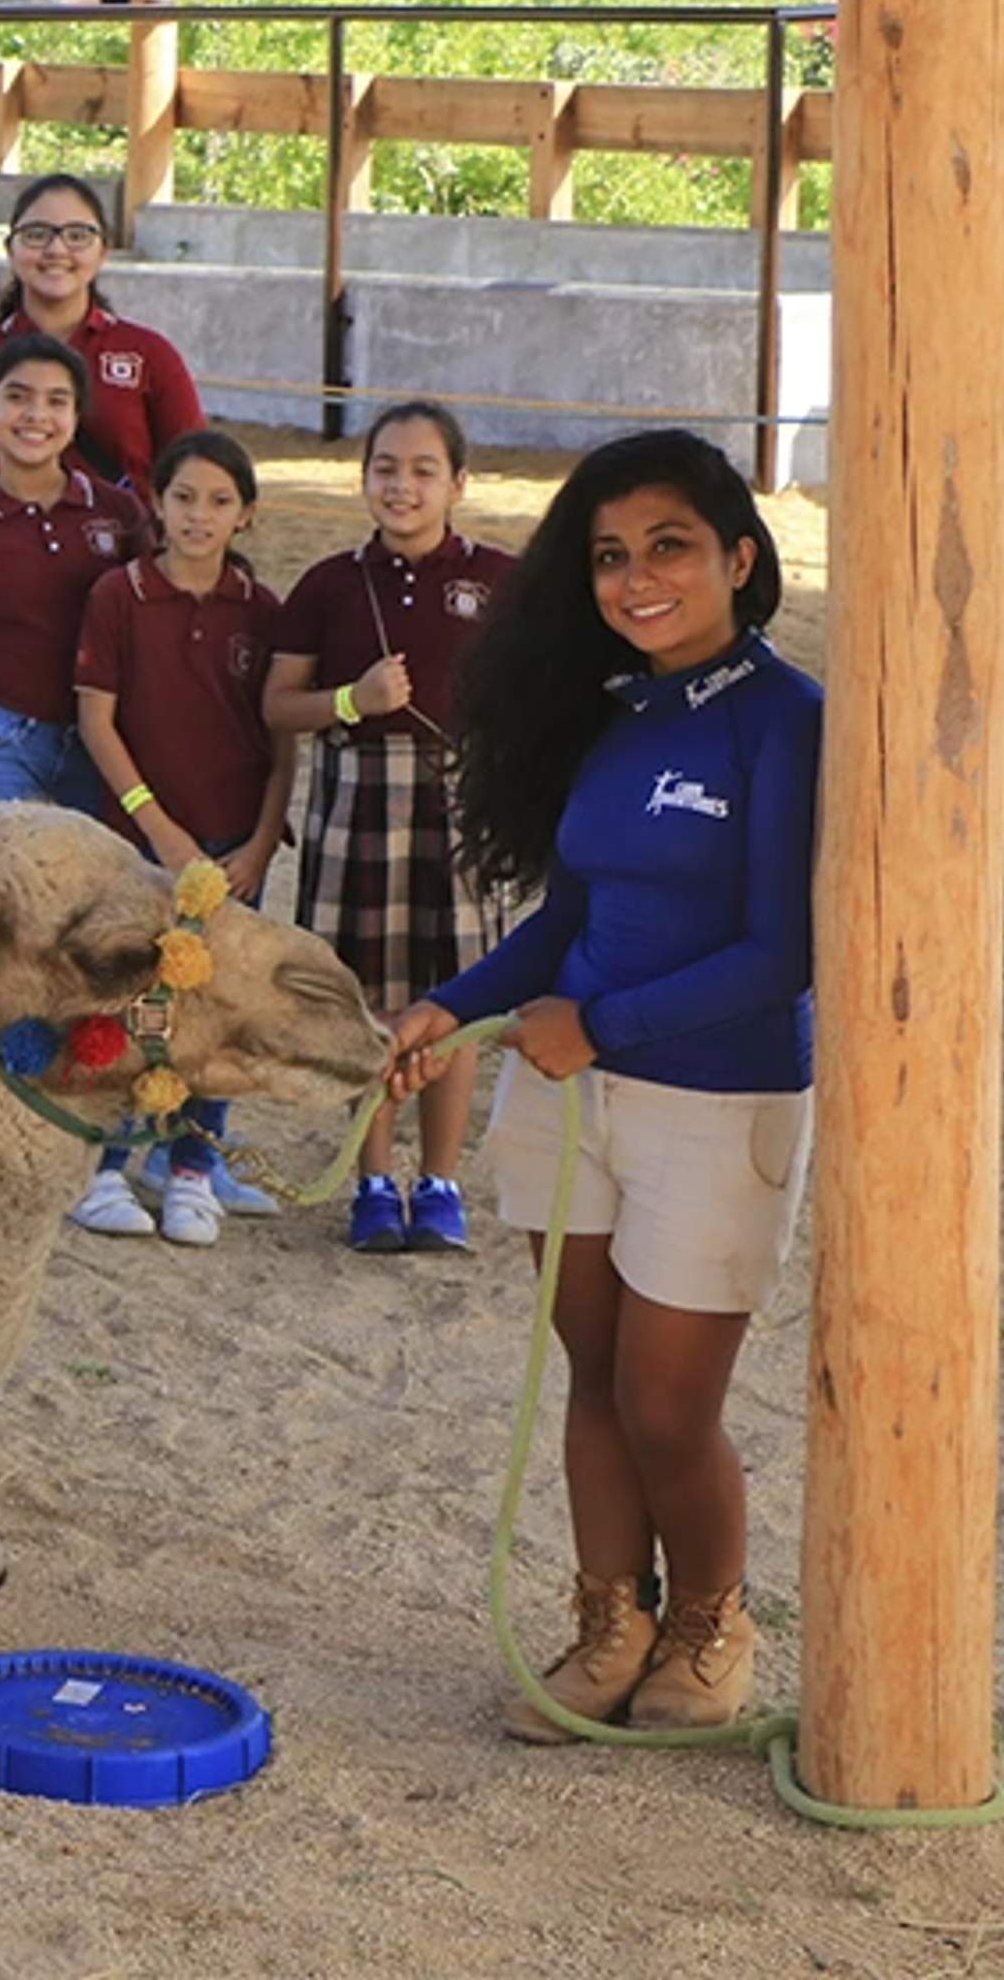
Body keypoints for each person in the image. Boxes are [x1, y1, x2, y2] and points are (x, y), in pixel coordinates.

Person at [386, 429, 817, 1743]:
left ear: (741, 558)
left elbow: (785, 949)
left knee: (666, 1403)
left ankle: (711, 1624)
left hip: (716, 1100)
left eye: (670, 548)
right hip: (573, 1097)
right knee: (590, 1378)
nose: (636, 581)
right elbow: (562, 922)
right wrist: (451, 1006)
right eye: (611, 557)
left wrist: (604, 1023)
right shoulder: (612, 716)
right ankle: (610, 1624)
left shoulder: (789, 720)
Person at [267, 400, 515, 1256]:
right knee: (364, 999)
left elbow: (546, 692)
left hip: (460, 810)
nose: (401, 486)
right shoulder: (328, 584)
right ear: (362, 477)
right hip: (356, 806)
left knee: (454, 1000)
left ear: (457, 482)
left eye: (421, 470)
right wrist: (352, 701)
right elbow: (277, 704)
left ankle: (439, 1182)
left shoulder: (502, 579)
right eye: (384, 468)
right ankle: (373, 1180)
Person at [70, 431, 299, 1247]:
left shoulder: (264, 612)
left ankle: (194, 1166)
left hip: (234, 850)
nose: (199, 515)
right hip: (137, 847)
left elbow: (280, 747)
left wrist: (261, 846)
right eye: (183, 497)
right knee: (129, 1000)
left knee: (218, 1008)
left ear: (245, 515)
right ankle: (103, 1168)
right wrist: (157, 828)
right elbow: (96, 721)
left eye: (219, 501)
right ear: (156, 504)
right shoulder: (117, 596)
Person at [0, 333, 140, 835]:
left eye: (57, 401)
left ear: (77, 417)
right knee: (8, 894)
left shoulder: (120, 514)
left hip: (97, 738)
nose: (36, 415)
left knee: (89, 896)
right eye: (17, 397)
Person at [0, 173, 202, 490]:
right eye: (36, 234)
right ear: (11, 249)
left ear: (103, 251)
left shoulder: (149, 354)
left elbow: (195, 469)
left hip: (124, 537)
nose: (56, 249)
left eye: (78, 235)